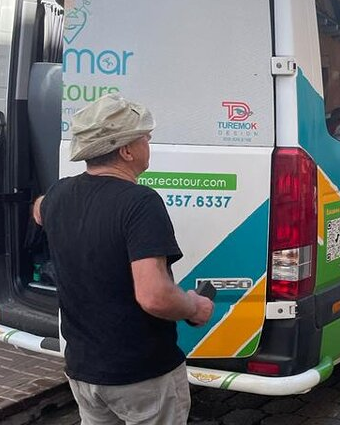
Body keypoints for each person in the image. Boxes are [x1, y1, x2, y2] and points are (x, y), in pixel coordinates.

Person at [33, 94, 214, 425]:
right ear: (127, 150)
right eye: (145, 137)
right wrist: (193, 307)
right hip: (140, 375)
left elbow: (39, 209)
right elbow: (154, 295)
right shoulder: (140, 203)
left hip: (83, 372)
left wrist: (54, 207)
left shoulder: (58, 194)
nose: (149, 143)